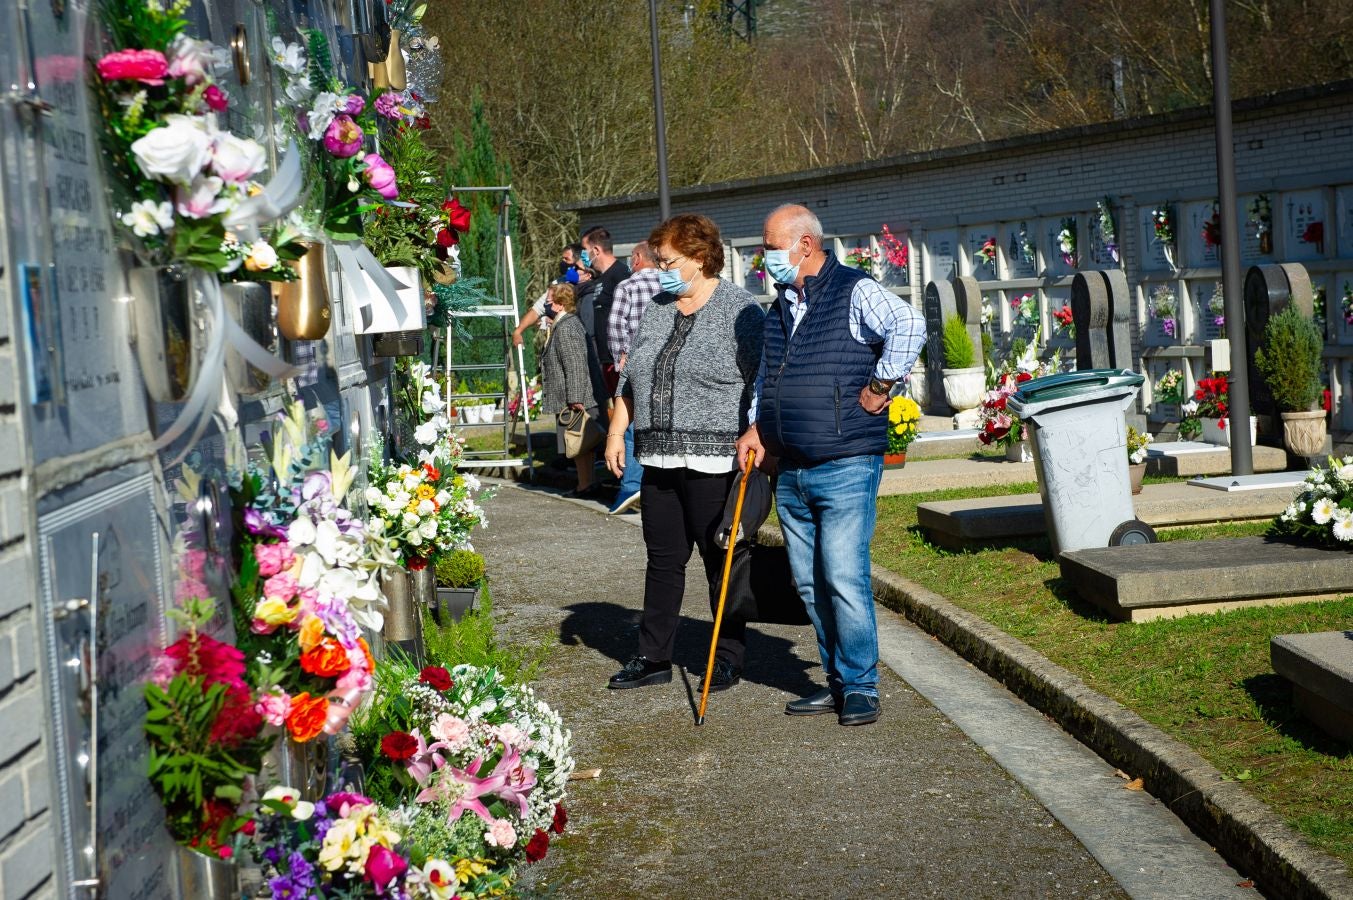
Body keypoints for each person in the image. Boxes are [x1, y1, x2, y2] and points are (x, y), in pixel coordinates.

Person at [735, 204, 925, 727]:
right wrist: (755, 427)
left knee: (843, 575)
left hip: (844, 464)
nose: (763, 257)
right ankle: (837, 681)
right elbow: (765, 382)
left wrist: (881, 386)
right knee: (809, 583)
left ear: (803, 245)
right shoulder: (778, 308)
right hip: (790, 468)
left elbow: (910, 324)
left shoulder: (853, 290)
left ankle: (862, 686)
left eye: (771, 247)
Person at [604, 214, 765, 692]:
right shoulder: (657, 307)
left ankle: (727, 655)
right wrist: (617, 433)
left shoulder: (741, 310)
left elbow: (761, 384)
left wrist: (756, 435)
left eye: (669, 262)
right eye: (658, 262)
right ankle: (653, 655)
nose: (661, 271)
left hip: (715, 462)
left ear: (699, 258)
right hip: (658, 459)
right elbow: (632, 378)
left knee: (723, 563)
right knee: (663, 560)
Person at [604, 241, 662, 515]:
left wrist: (620, 361)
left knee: (630, 424)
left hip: (636, 364)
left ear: (638, 258)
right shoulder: (670, 283)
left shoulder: (627, 286)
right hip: (666, 366)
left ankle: (631, 485)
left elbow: (616, 326)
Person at [540, 282, 602, 499]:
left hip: (577, 397)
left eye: (548, 301)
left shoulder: (567, 327)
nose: (545, 305)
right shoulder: (564, 324)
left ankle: (585, 485)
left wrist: (575, 397)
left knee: (580, 443)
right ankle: (585, 483)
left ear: (558, 304)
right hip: (574, 396)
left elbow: (575, 363)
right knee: (581, 444)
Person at [580, 225, 631, 395]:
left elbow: (631, 317)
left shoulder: (621, 274)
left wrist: (624, 352)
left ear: (596, 250)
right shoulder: (600, 278)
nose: (583, 256)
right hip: (605, 359)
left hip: (619, 360)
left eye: (584, 250)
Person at [513, 243, 584, 348]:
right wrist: (518, 331)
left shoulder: (589, 285)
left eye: (567, 259)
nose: (563, 262)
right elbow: (537, 310)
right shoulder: (557, 283)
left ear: (579, 262)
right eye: (562, 259)